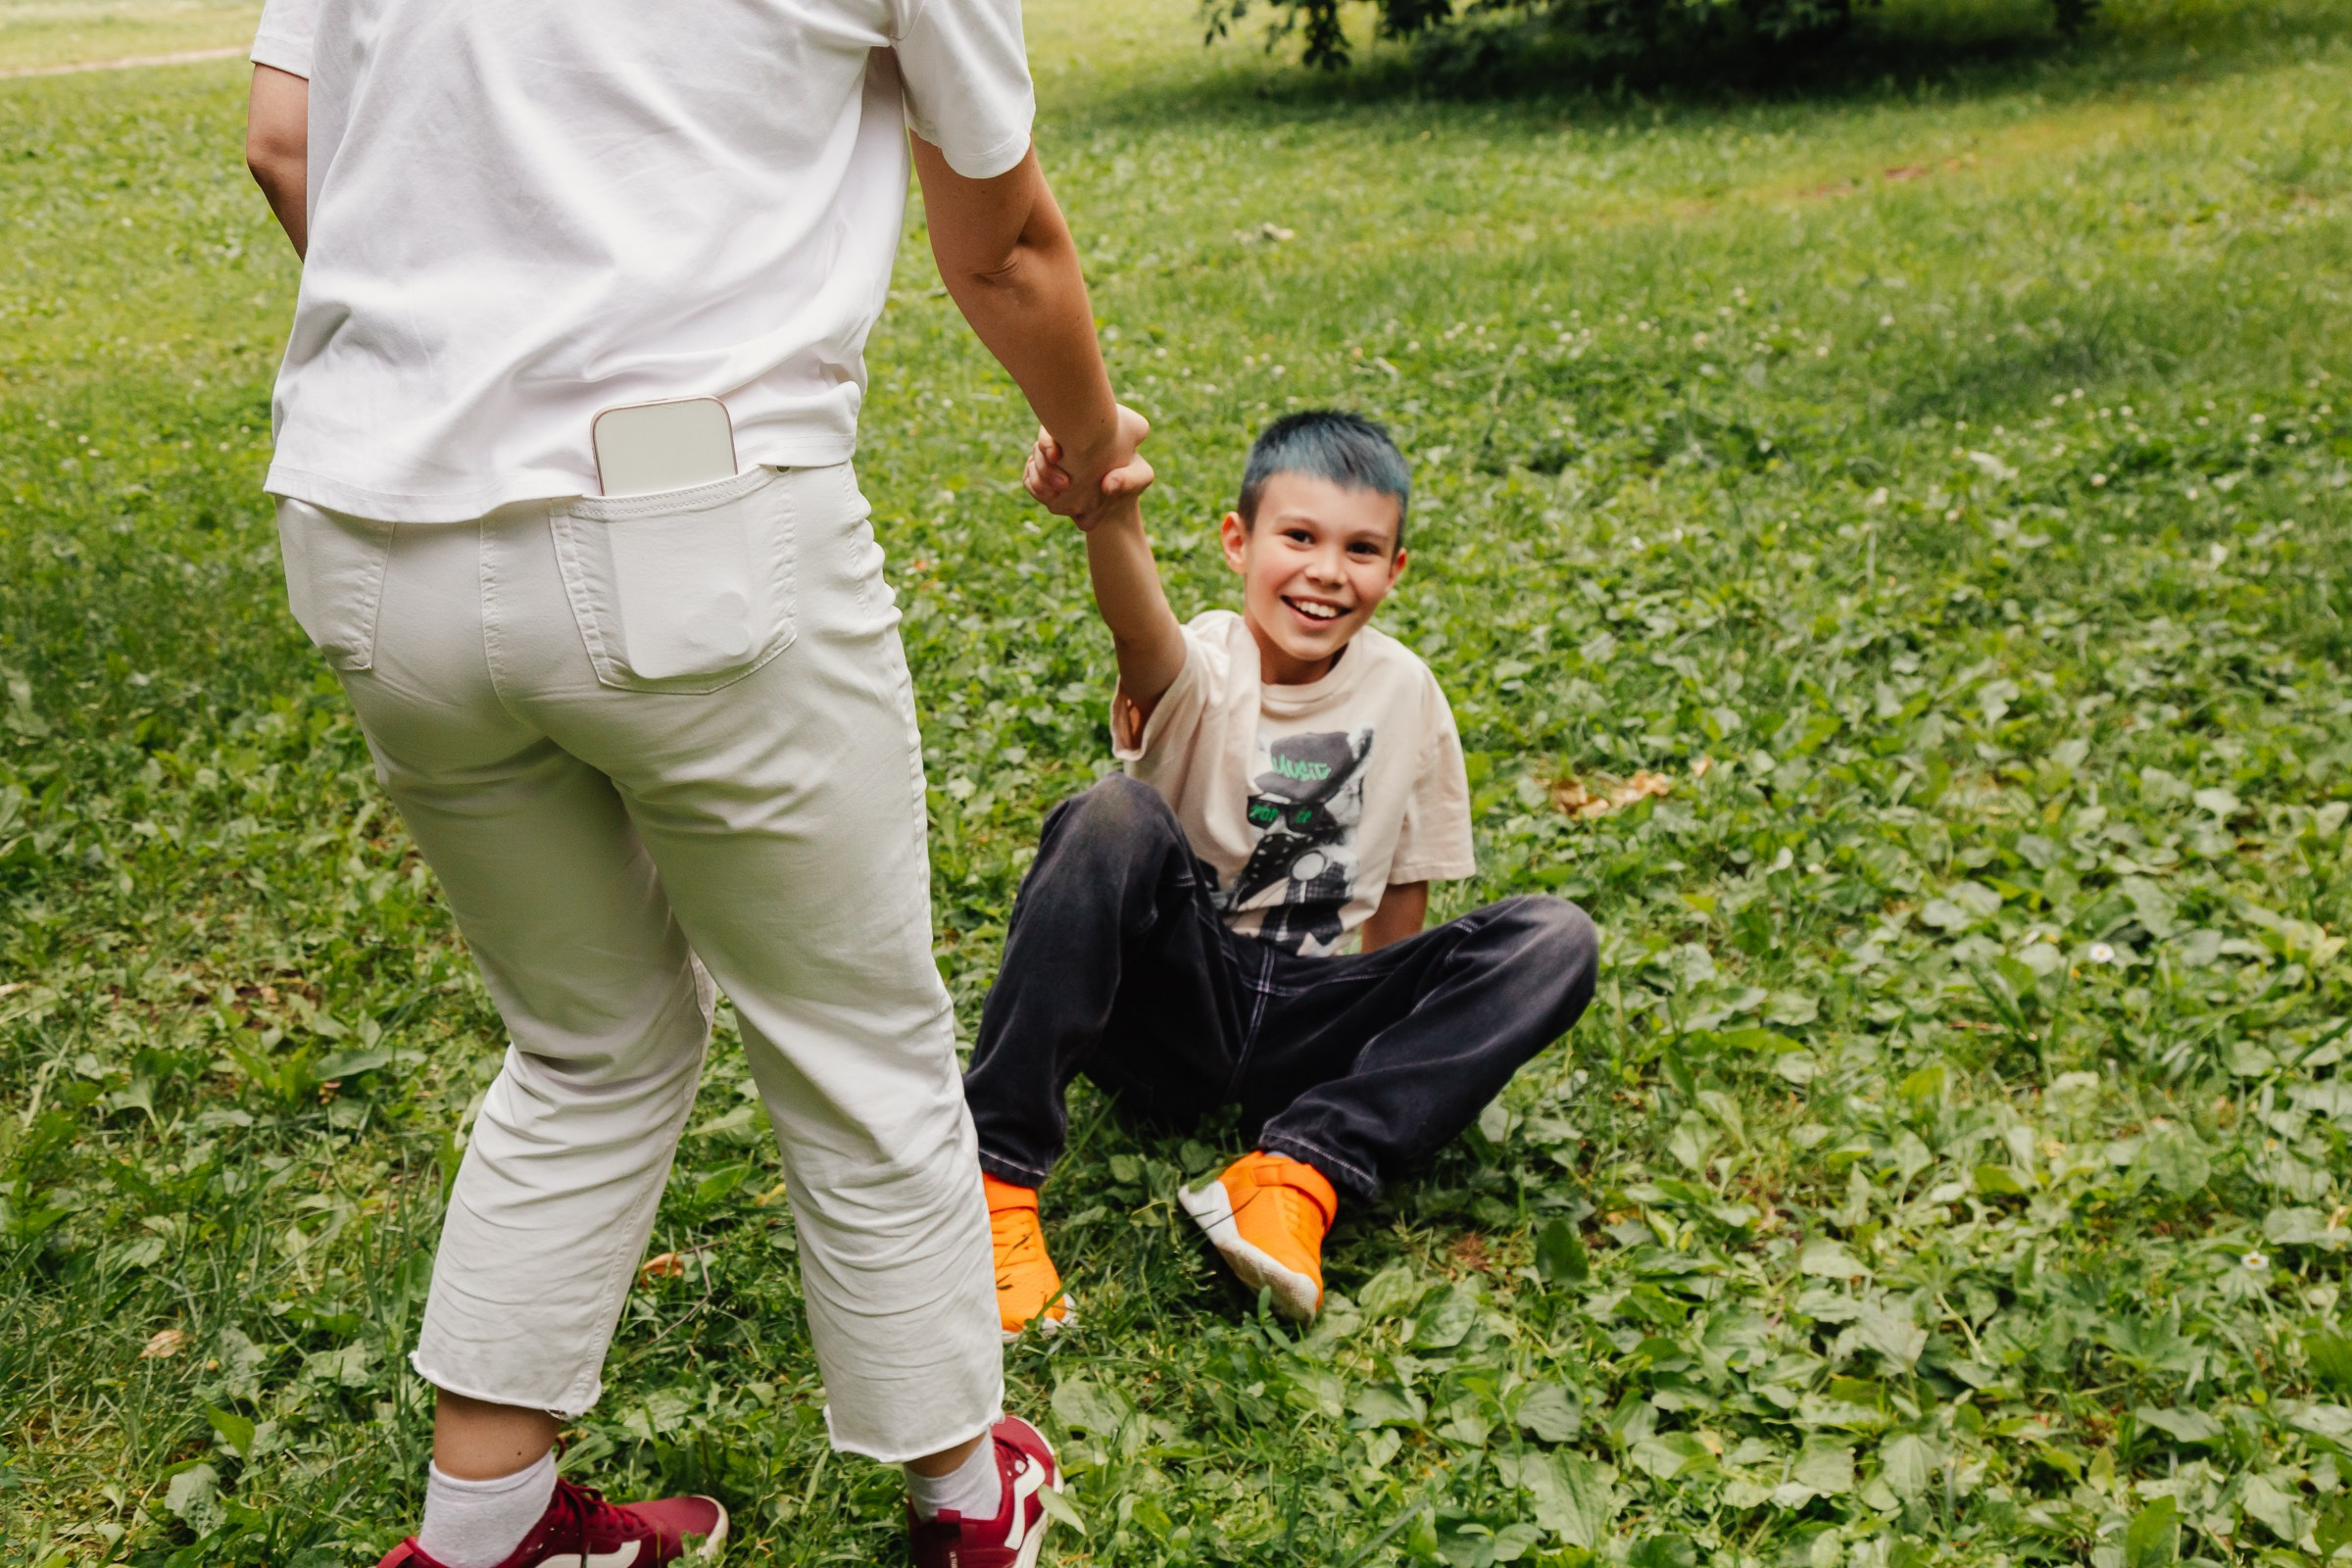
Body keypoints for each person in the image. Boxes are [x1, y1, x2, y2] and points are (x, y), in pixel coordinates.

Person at [241, 0, 1142, 1562]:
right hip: (687, 511)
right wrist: (1092, 439)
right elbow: (1002, 249)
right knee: (855, 1029)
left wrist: (467, 376)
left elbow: (281, 139)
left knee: (585, 1039)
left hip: (368, 522)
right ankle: (961, 1495)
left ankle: (486, 1530)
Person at [967, 411, 1600, 1336]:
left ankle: (1296, 1175)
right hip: (1178, 998)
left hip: (1312, 1018)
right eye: (1298, 537)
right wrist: (1109, 517)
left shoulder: (1408, 692)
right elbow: (1139, 633)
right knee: (1110, 813)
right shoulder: (1206, 659)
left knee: (1556, 938)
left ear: (1396, 569)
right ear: (1239, 541)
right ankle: (991, 1187)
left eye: (1362, 548)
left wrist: (1392, 1038)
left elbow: (1401, 899)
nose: (1327, 571)